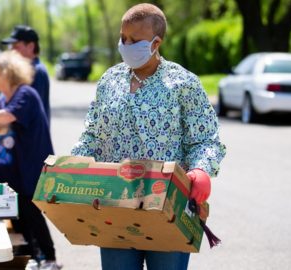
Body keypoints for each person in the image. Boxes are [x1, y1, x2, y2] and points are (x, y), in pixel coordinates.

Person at [71, 3, 226, 270]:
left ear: (156, 43)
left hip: (167, 205)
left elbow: (206, 139)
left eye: (134, 40)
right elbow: (92, 135)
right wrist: (73, 166)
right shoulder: (110, 81)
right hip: (115, 204)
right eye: (123, 38)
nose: (126, 45)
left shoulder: (183, 83)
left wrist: (202, 169)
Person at [0, 50, 60, 270]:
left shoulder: (25, 94)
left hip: (29, 166)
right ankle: (32, 257)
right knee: (17, 214)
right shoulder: (3, 98)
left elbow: (7, 116)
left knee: (32, 212)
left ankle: (49, 258)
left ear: (6, 73)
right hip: (11, 169)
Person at [1, 25, 51, 124]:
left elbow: (24, 110)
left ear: (31, 46)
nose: (12, 51)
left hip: (32, 138)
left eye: (16, 46)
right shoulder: (26, 69)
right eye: (11, 47)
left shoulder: (36, 71)